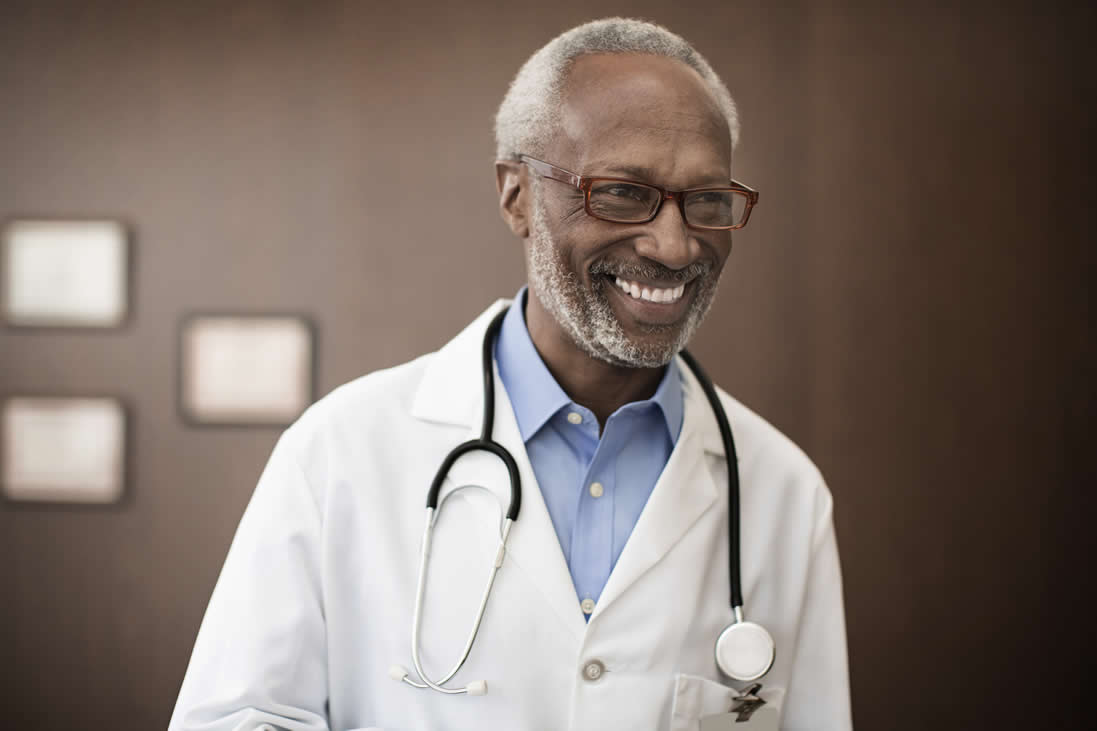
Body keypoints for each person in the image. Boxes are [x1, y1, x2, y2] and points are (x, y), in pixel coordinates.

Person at [170, 18, 852, 731]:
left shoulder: (781, 490)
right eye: (622, 192)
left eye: (706, 200)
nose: (674, 245)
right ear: (516, 194)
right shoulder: (342, 450)